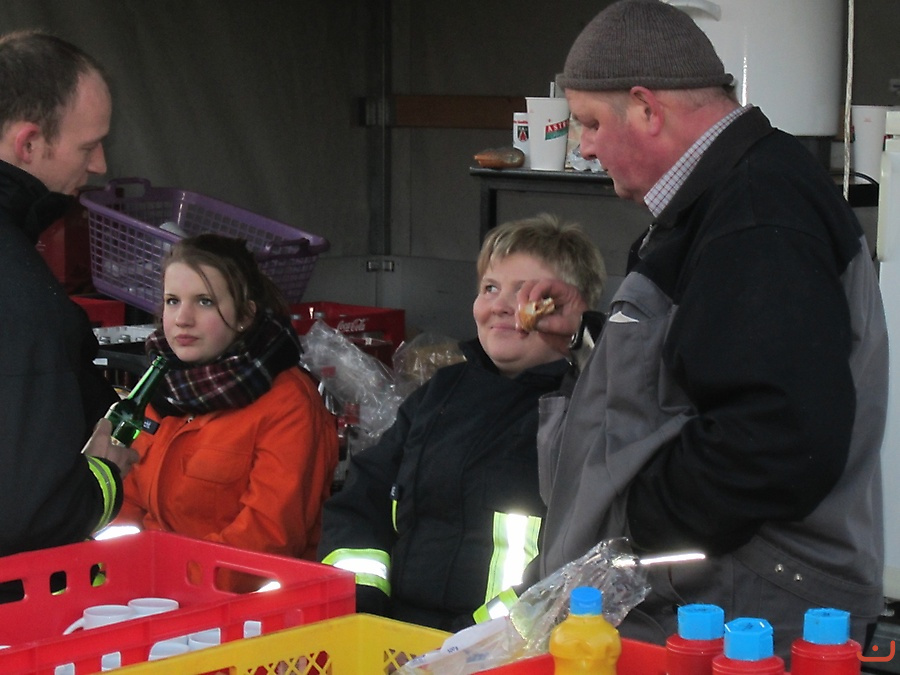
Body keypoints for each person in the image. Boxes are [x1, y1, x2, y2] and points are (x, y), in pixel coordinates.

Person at [519, 0, 888, 661]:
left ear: (646, 108)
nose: (585, 147)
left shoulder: (757, 213)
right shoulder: (730, 198)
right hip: (725, 593)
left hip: (744, 609)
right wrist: (589, 337)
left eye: (591, 123)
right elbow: (711, 367)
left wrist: (640, 525)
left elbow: (777, 434)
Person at [318, 214, 606, 631]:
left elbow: (573, 563)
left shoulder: (584, 412)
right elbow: (361, 501)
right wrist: (364, 603)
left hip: (507, 646)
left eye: (527, 292)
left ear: (569, 312)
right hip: (393, 637)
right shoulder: (440, 393)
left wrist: (474, 640)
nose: (500, 305)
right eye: (490, 288)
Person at [113, 234, 338, 590]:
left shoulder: (288, 402)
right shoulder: (162, 386)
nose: (182, 319)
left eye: (204, 302)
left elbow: (267, 538)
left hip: (242, 608)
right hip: (148, 594)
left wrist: (168, 583)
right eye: (172, 301)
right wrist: (123, 577)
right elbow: (124, 503)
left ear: (245, 314)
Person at [0, 30, 136, 558]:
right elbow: (27, 514)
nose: (100, 164)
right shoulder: (20, 294)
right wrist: (104, 476)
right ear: (29, 144)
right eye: (88, 145)